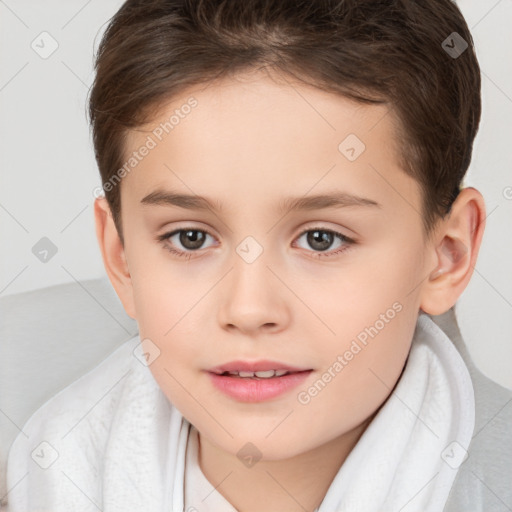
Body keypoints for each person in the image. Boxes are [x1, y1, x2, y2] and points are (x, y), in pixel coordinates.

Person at [6, 0, 512, 511]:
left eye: (321, 239)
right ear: (121, 257)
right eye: (190, 238)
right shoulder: (37, 473)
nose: (249, 310)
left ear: (447, 254)